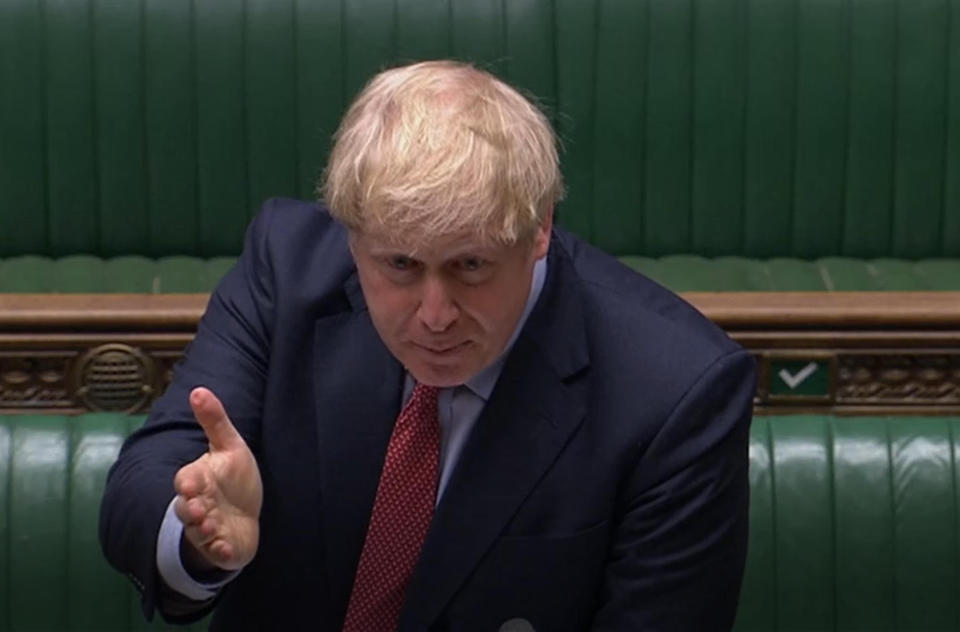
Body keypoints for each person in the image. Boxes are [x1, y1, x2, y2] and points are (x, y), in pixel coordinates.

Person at [100, 60, 756, 631]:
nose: (435, 317)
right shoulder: (289, 267)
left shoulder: (679, 391)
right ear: (352, 236)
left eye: (470, 267)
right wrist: (200, 539)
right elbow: (147, 481)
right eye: (401, 267)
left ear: (539, 230)